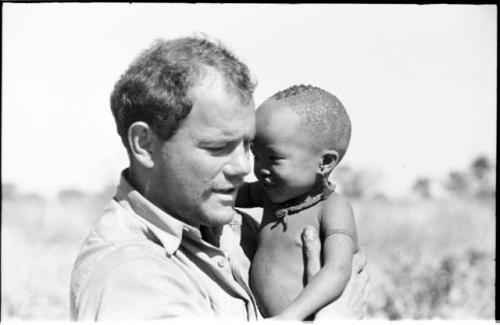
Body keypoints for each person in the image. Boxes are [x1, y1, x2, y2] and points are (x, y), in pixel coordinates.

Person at [70, 36, 368, 320]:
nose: (244, 167)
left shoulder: (234, 229)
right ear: (145, 145)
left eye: (247, 145)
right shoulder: (133, 277)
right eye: (217, 147)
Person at [235, 85, 357, 320]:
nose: (260, 169)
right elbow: (224, 193)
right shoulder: (269, 194)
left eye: (274, 158)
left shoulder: (333, 208)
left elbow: (338, 270)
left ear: (325, 163)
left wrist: (289, 318)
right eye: (256, 156)